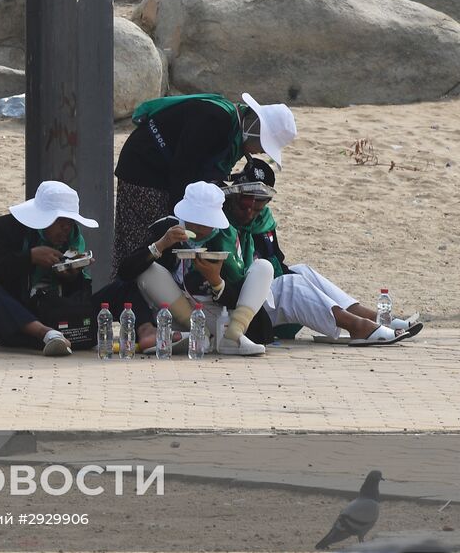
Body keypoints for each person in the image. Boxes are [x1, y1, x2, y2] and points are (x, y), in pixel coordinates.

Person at [223, 159, 416, 344]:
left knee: (302, 271)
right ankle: (356, 326)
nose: (250, 214)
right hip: (244, 311)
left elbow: (277, 261)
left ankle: (375, 318)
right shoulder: (224, 226)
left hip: (265, 303)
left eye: (258, 209)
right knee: (291, 284)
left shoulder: (261, 222)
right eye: (245, 207)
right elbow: (236, 275)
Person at [113, 92, 297, 276]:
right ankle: (128, 288)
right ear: (255, 129)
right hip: (144, 168)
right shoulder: (215, 119)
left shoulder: (233, 130)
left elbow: (206, 173)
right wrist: (179, 216)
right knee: (149, 237)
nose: (261, 152)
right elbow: (183, 169)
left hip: (166, 170)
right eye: (264, 145)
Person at [0, 181, 156, 357]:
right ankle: (45, 333)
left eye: (70, 222)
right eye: (60, 222)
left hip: (64, 315)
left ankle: (147, 332)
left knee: (124, 287)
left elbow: (78, 297)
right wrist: (30, 258)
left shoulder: (72, 237)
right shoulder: (7, 228)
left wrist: (72, 276)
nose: (65, 228)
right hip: (23, 318)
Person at [116, 181, 274, 356]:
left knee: (264, 267)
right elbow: (125, 272)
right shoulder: (168, 228)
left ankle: (233, 337)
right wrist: (160, 245)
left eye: (205, 222)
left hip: (222, 317)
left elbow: (238, 295)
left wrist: (216, 282)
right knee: (147, 269)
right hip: (180, 314)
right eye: (194, 220)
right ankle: (199, 335)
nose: (198, 228)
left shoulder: (227, 235)